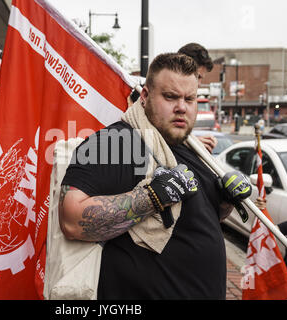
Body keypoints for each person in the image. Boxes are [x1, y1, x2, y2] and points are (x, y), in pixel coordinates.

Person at [59, 53, 251, 299]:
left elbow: (204, 219)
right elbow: (72, 222)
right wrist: (153, 196)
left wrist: (225, 200)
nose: (181, 107)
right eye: (170, 97)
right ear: (146, 96)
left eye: (190, 99)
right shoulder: (114, 142)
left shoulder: (192, 147)